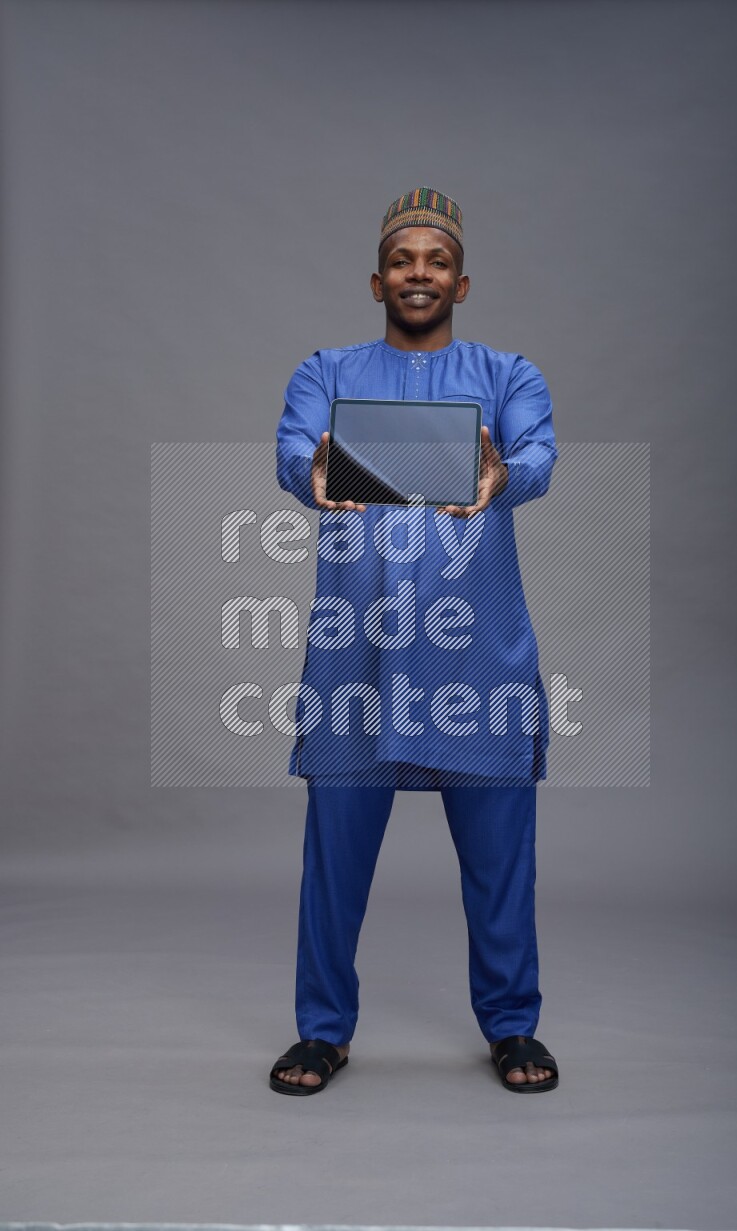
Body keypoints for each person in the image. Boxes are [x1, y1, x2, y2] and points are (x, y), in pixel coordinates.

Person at [271, 187, 559, 1094]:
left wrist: (505, 473)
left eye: (436, 262)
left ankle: (513, 1027)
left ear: (461, 282)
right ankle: (323, 1031)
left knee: (501, 864)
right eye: (403, 261)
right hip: (357, 660)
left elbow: (539, 461)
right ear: (377, 280)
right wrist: (308, 467)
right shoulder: (327, 369)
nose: (419, 274)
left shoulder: (509, 375)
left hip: (477, 659)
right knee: (334, 863)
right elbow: (295, 448)